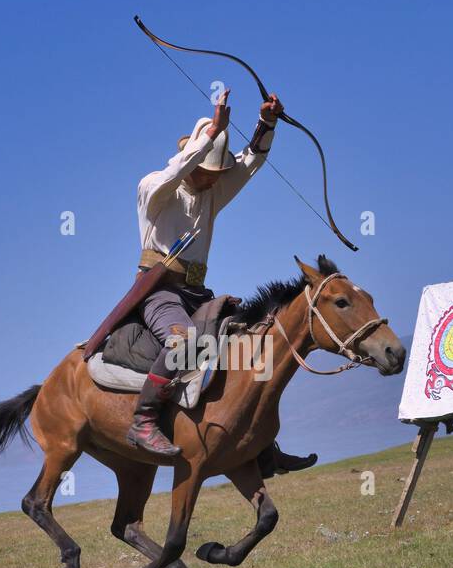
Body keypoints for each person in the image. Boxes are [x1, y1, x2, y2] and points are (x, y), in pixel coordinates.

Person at [126, 88, 317, 476]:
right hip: (158, 291)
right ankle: (143, 421)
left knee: (248, 347)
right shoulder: (154, 188)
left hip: (198, 294)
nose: (213, 181)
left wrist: (266, 123)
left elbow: (249, 165)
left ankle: (262, 445)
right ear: (191, 157)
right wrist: (212, 134)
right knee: (183, 343)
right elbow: (178, 170)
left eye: (217, 174)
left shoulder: (210, 192)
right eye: (206, 171)